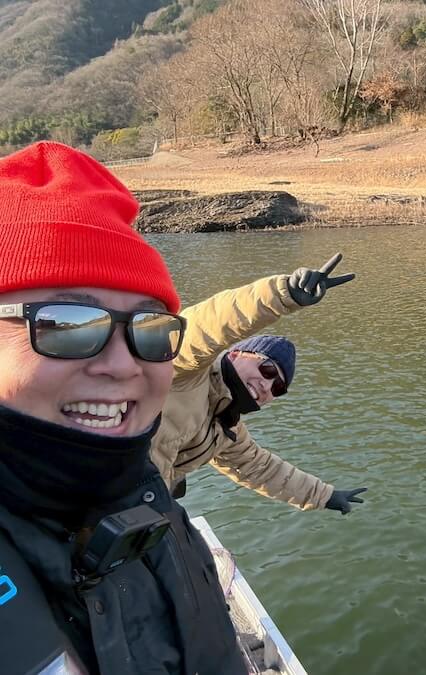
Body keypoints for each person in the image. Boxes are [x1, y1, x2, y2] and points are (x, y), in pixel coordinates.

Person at [0, 141, 246, 672]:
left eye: (151, 329)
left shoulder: (152, 505)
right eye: (65, 324)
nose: (124, 364)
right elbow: (232, 317)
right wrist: (287, 292)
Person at [155, 328, 367, 515]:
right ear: (236, 354)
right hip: (126, 489)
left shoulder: (227, 424)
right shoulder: (187, 375)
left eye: (277, 388)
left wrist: (325, 496)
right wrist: (281, 296)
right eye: (268, 370)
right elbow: (207, 326)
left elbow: (260, 467)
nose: (267, 385)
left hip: (150, 500)